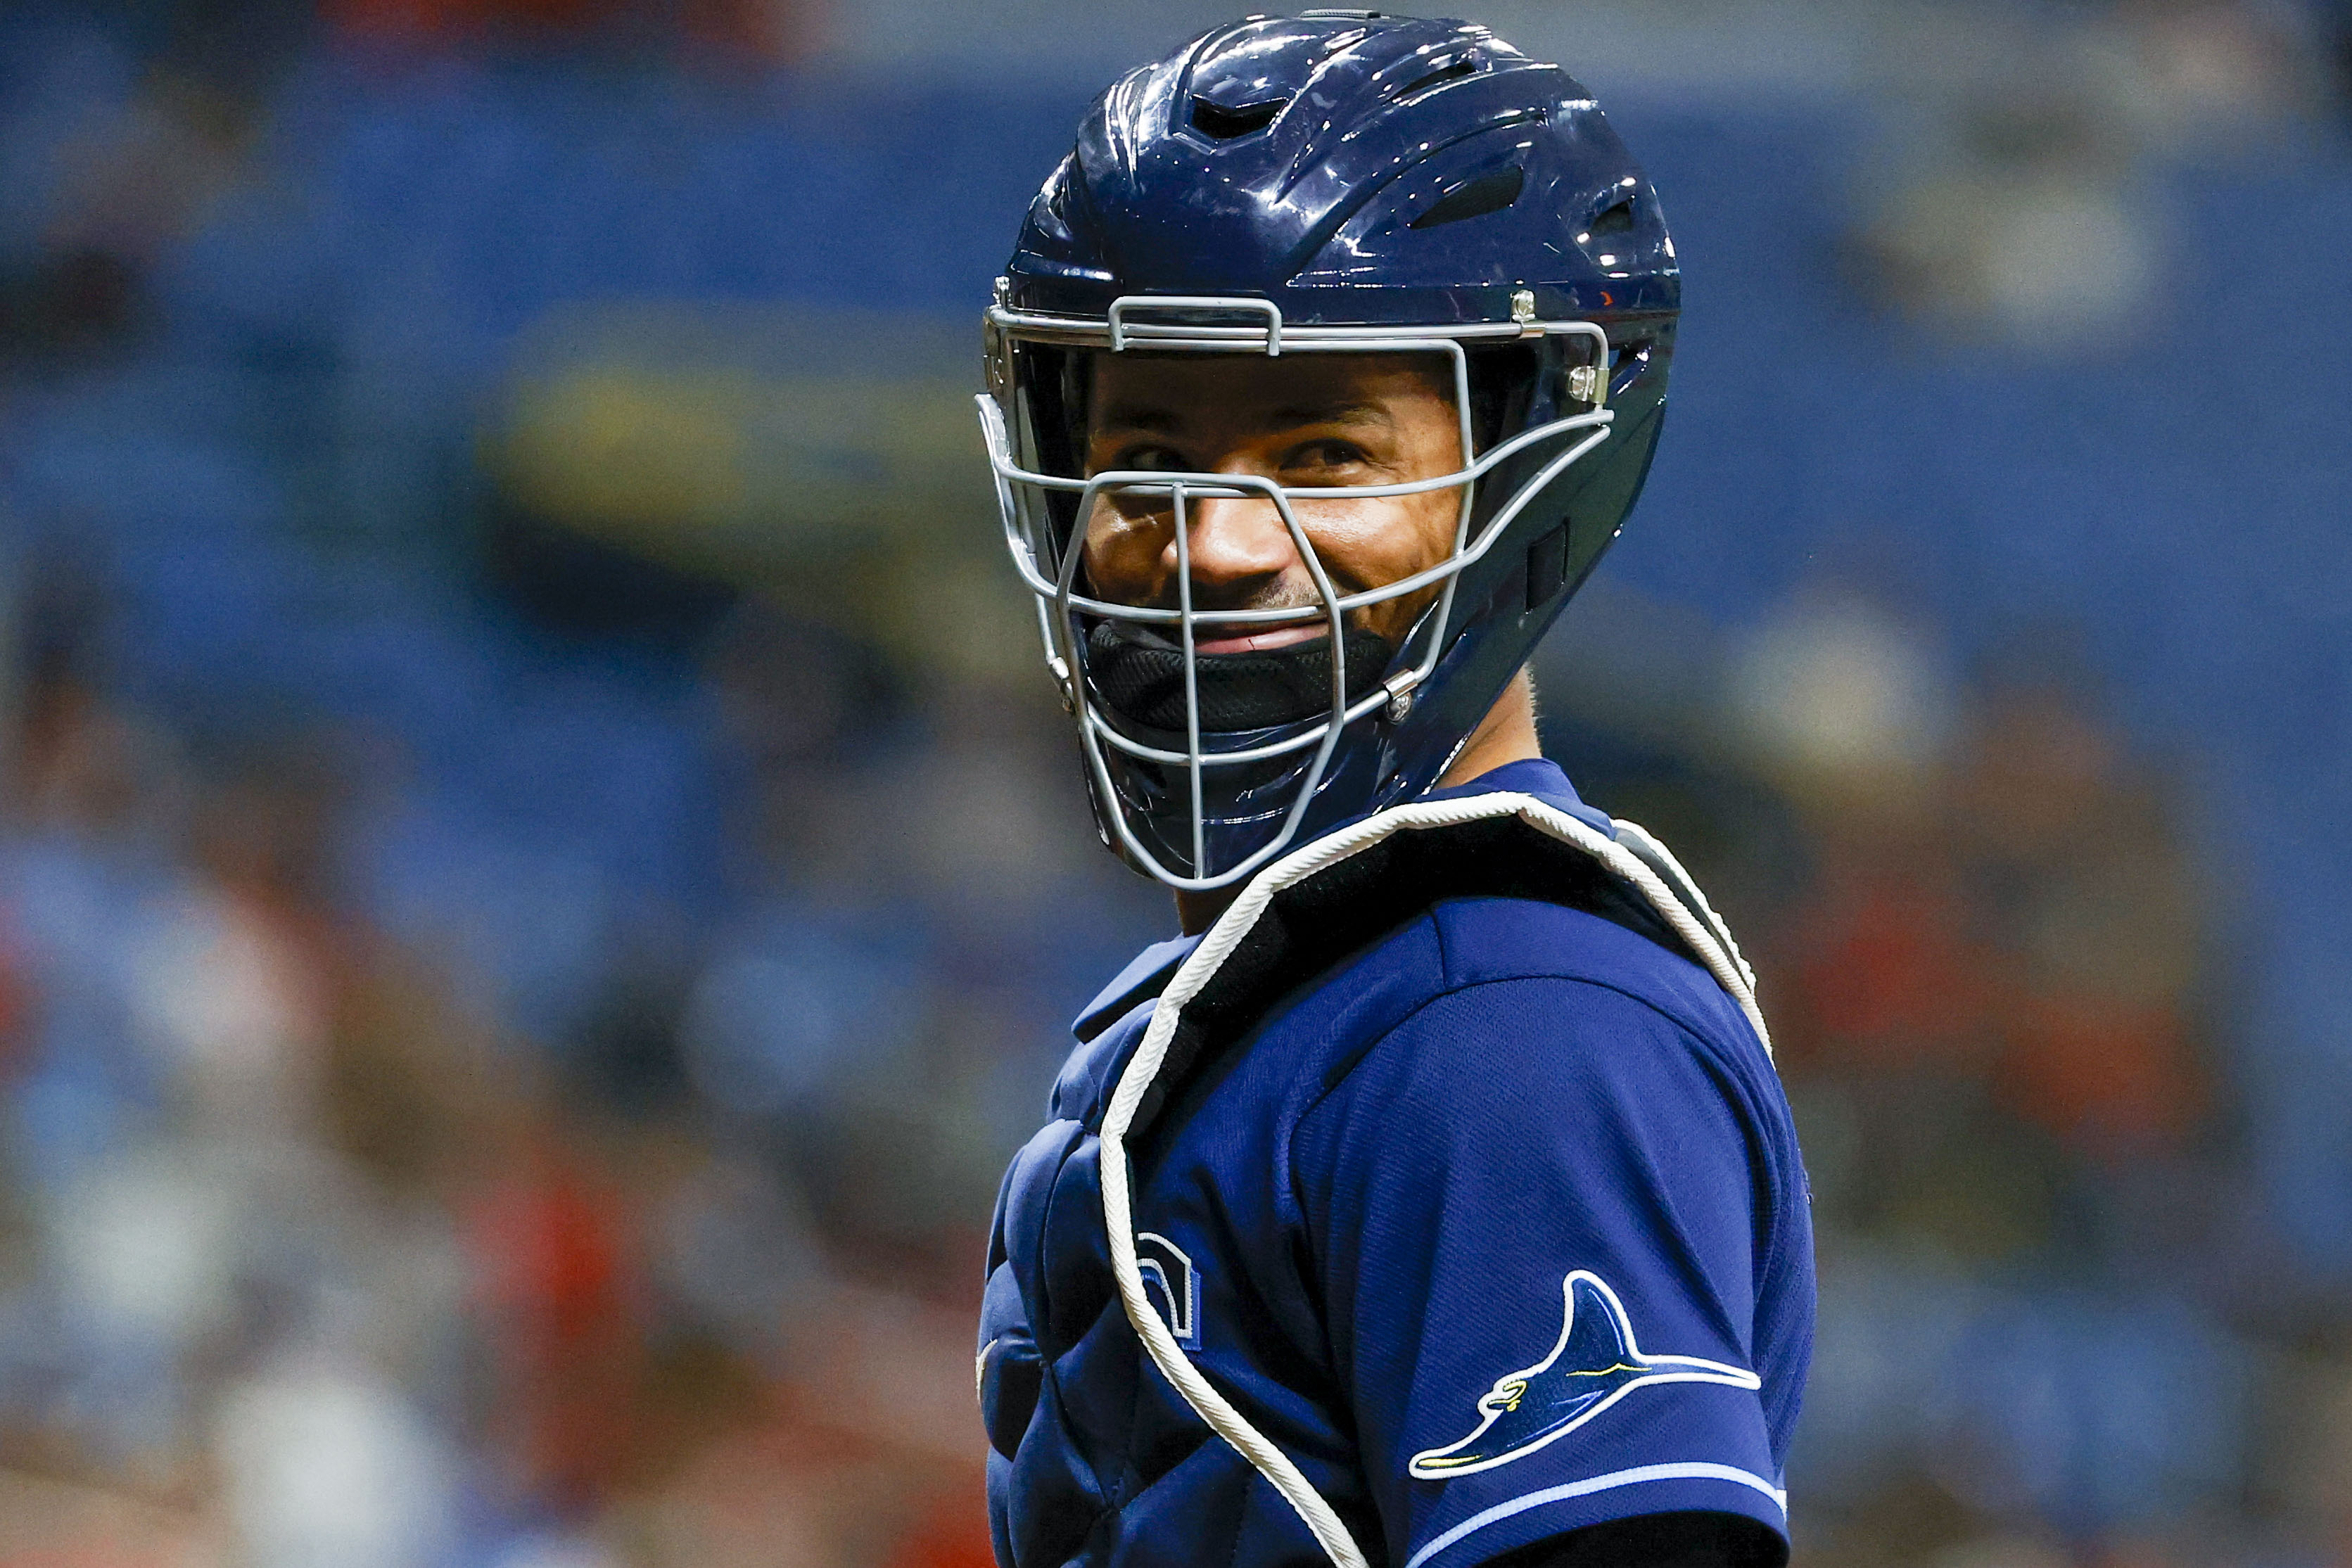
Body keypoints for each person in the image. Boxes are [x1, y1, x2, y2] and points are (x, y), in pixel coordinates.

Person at [972, 14, 1812, 1568]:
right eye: (1146, 452)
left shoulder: (1503, 1034)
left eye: (1323, 452)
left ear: (1524, 478)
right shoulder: (1318, 996)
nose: (1212, 539)